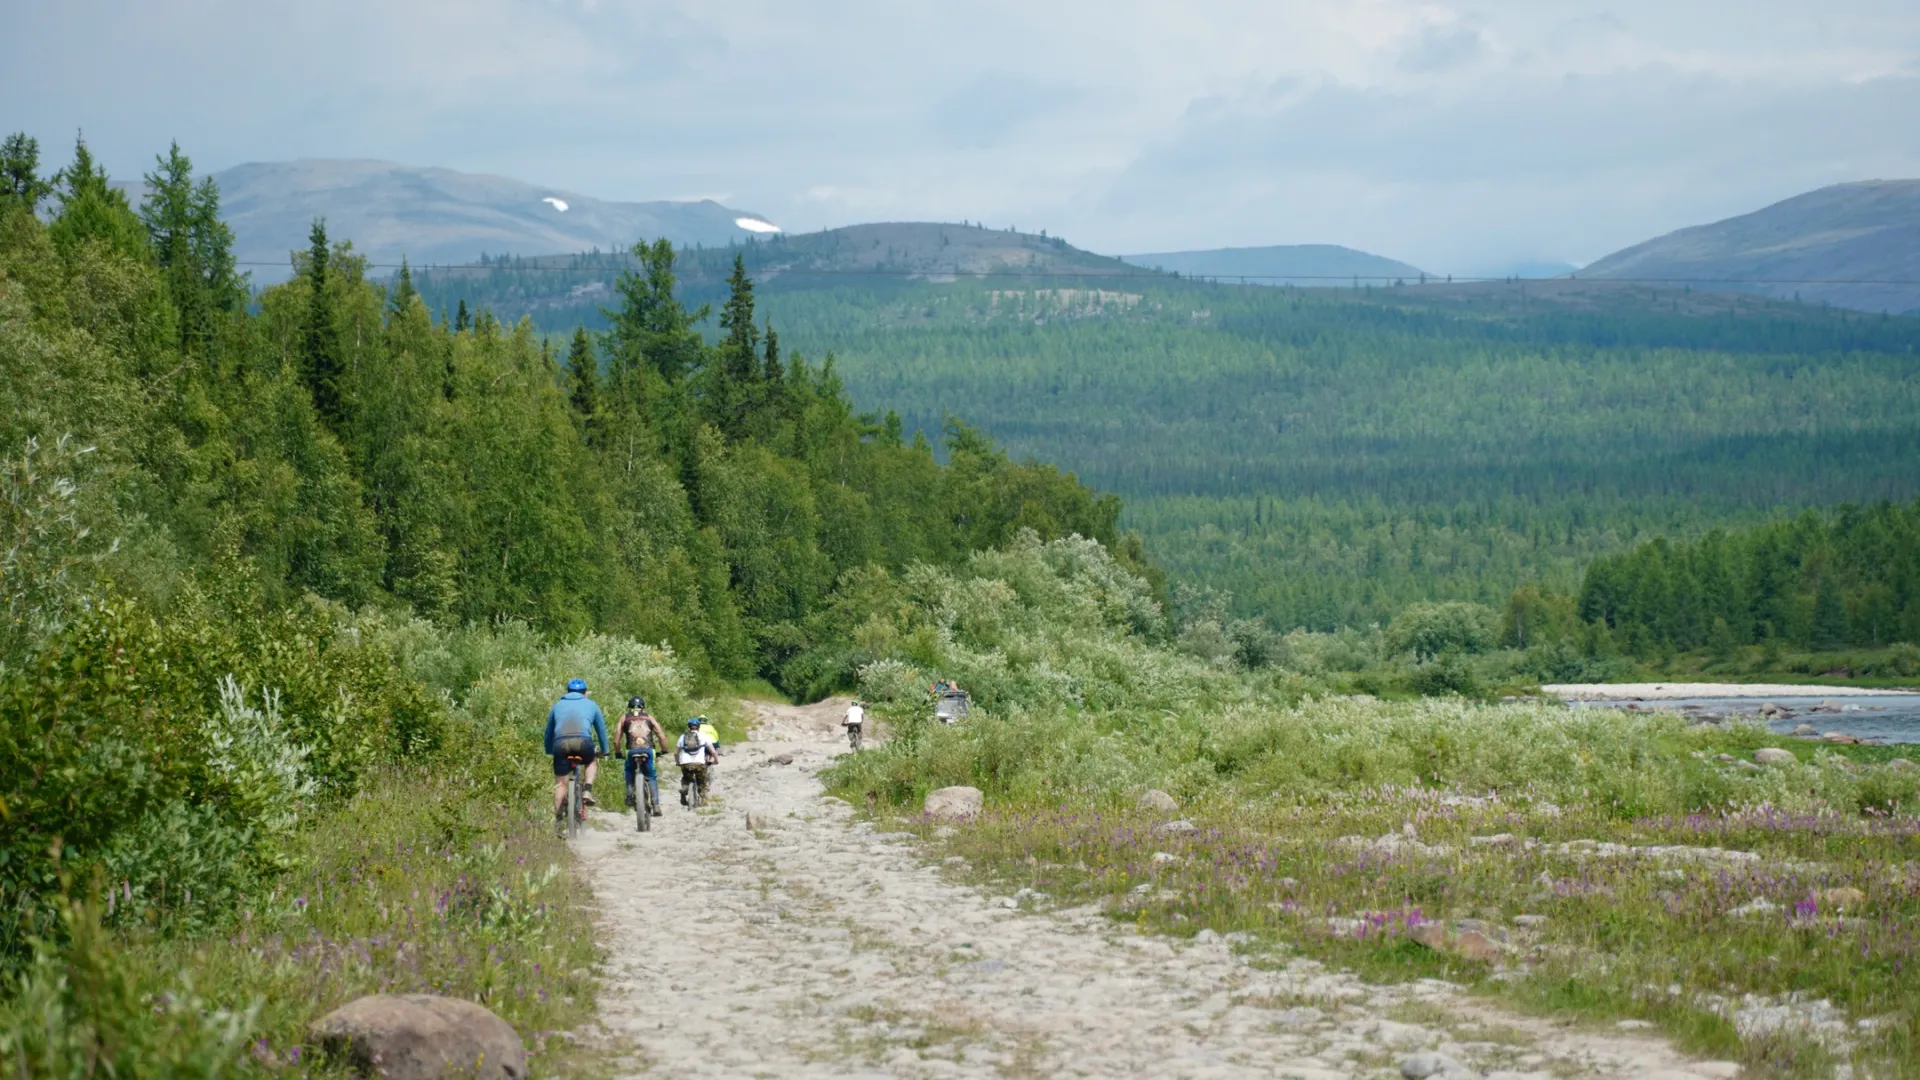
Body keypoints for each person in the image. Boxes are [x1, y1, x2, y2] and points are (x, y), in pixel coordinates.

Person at [545, 677, 608, 827]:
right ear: (585, 693)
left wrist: (549, 750)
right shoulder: (591, 705)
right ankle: (587, 790)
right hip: (583, 743)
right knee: (591, 760)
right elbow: (601, 731)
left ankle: (559, 823)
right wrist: (605, 750)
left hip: (560, 744)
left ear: (567, 692)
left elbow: (548, 732)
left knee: (561, 784)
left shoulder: (557, 705)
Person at [617, 695, 667, 816]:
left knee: (629, 769)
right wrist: (664, 750)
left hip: (632, 751)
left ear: (630, 707)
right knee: (651, 777)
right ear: (643, 707)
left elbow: (616, 738)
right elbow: (661, 735)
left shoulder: (624, 718)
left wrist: (618, 752)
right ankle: (656, 805)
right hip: (648, 750)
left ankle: (629, 794)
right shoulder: (649, 717)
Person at [674, 717, 718, 806]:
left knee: (686, 777)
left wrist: (678, 762)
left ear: (689, 727)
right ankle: (703, 798)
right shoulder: (703, 736)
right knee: (702, 781)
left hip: (685, 764)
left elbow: (676, 753)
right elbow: (713, 752)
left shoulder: (682, 737)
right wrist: (716, 760)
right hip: (699, 764)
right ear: (698, 727)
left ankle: (685, 788)